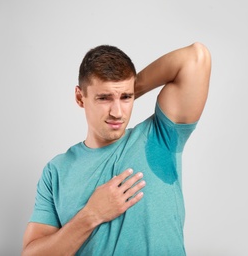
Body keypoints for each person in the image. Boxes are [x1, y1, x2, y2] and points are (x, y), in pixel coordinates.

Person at [22, 42, 211, 255]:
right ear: (79, 97)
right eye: (104, 98)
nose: (117, 112)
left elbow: (196, 57)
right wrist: (92, 214)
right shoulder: (56, 171)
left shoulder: (159, 137)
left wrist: (127, 88)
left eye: (126, 98)